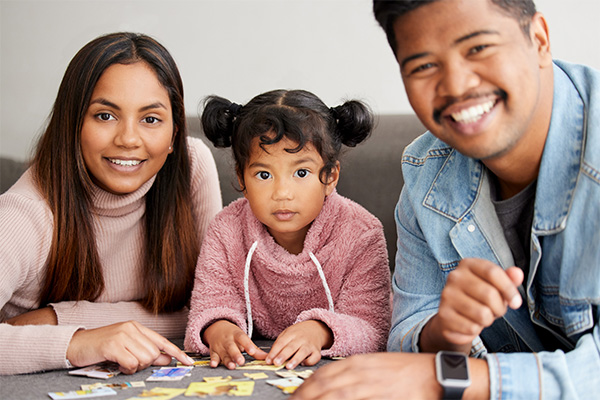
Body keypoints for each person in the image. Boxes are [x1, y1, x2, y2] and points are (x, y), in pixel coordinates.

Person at [292, 0, 600, 399]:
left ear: (539, 39)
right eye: (423, 66)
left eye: (478, 48)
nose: (455, 86)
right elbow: (409, 328)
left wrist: (444, 379)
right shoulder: (427, 173)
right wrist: (444, 334)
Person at [0, 32, 222, 375]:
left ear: (175, 135)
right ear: (72, 125)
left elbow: (214, 306)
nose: (128, 139)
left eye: (150, 119)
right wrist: (78, 342)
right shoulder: (24, 214)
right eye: (105, 115)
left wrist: (55, 319)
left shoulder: (191, 168)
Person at [184, 89, 391, 370]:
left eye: (301, 173)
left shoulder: (362, 232)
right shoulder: (226, 228)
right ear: (241, 178)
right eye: (264, 174)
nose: (282, 193)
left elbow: (373, 326)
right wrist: (217, 328)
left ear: (330, 176)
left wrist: (321, 331)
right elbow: (211, 302)